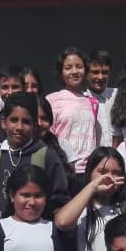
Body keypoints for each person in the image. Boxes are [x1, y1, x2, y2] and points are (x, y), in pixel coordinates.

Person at [0, 92, 70, 218]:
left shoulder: (47, 157)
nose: (19, 127)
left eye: (26, 122)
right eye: (13, 120)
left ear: (35, 125)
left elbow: (59, 200)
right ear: (3, 122)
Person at [46, 46, 104, 174]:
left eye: (79, 66)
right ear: (61, 72)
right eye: (68, 68)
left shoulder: (93, 102)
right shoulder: (52, 100)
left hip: (88, 171)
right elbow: (48, 137)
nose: (74, 71)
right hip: (63, 169)